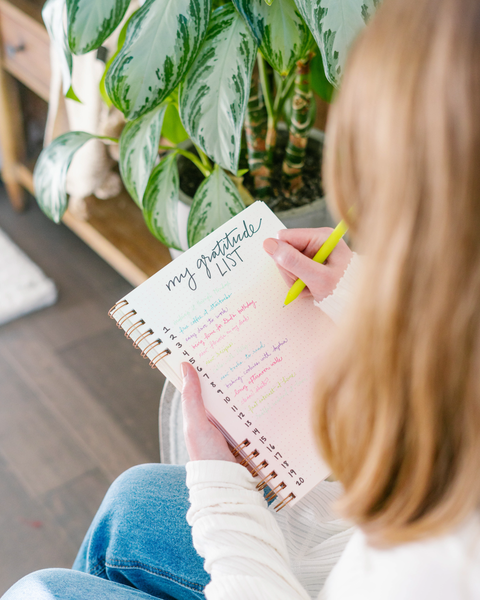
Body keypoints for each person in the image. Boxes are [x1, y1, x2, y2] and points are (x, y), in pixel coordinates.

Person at [4, 0, 480, 597]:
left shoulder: (439, 558)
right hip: (355, 549)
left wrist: (221, 491)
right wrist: (360, 295)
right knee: (134, 501)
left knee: (39, 590)